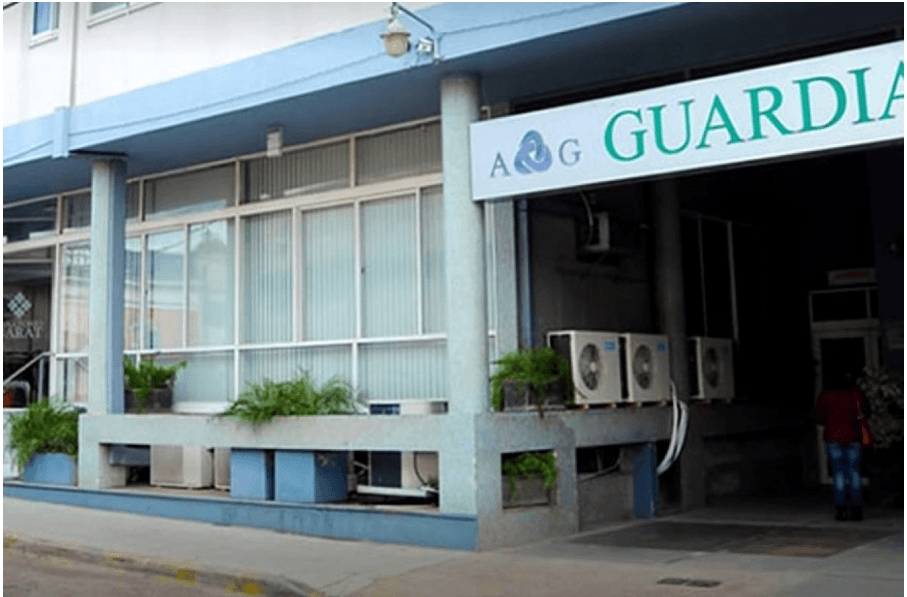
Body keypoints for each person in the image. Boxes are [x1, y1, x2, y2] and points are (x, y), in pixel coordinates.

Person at [815, 373, 867, 521]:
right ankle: (856, 509)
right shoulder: (854, 395)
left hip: (833, 436)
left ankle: (841, 509)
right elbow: (865, 413)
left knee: (838, 474)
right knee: (854, 473)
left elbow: (819, 417)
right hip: (853, 436)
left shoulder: (826, 396)